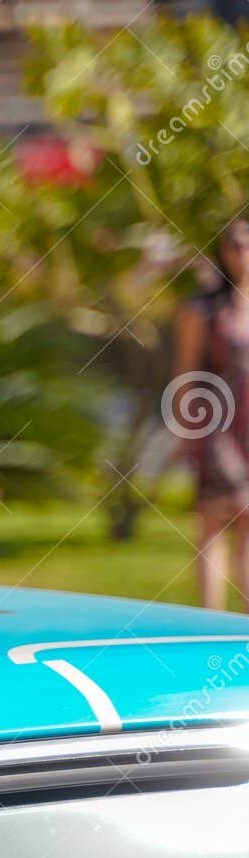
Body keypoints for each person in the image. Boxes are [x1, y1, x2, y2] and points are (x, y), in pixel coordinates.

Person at [173, 217, 249, 611]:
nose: (242, 253)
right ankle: (211, 620)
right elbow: (185, 371)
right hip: (219, 426)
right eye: (234, 245)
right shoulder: (202, 309)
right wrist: (184, 428)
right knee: (215, 518)